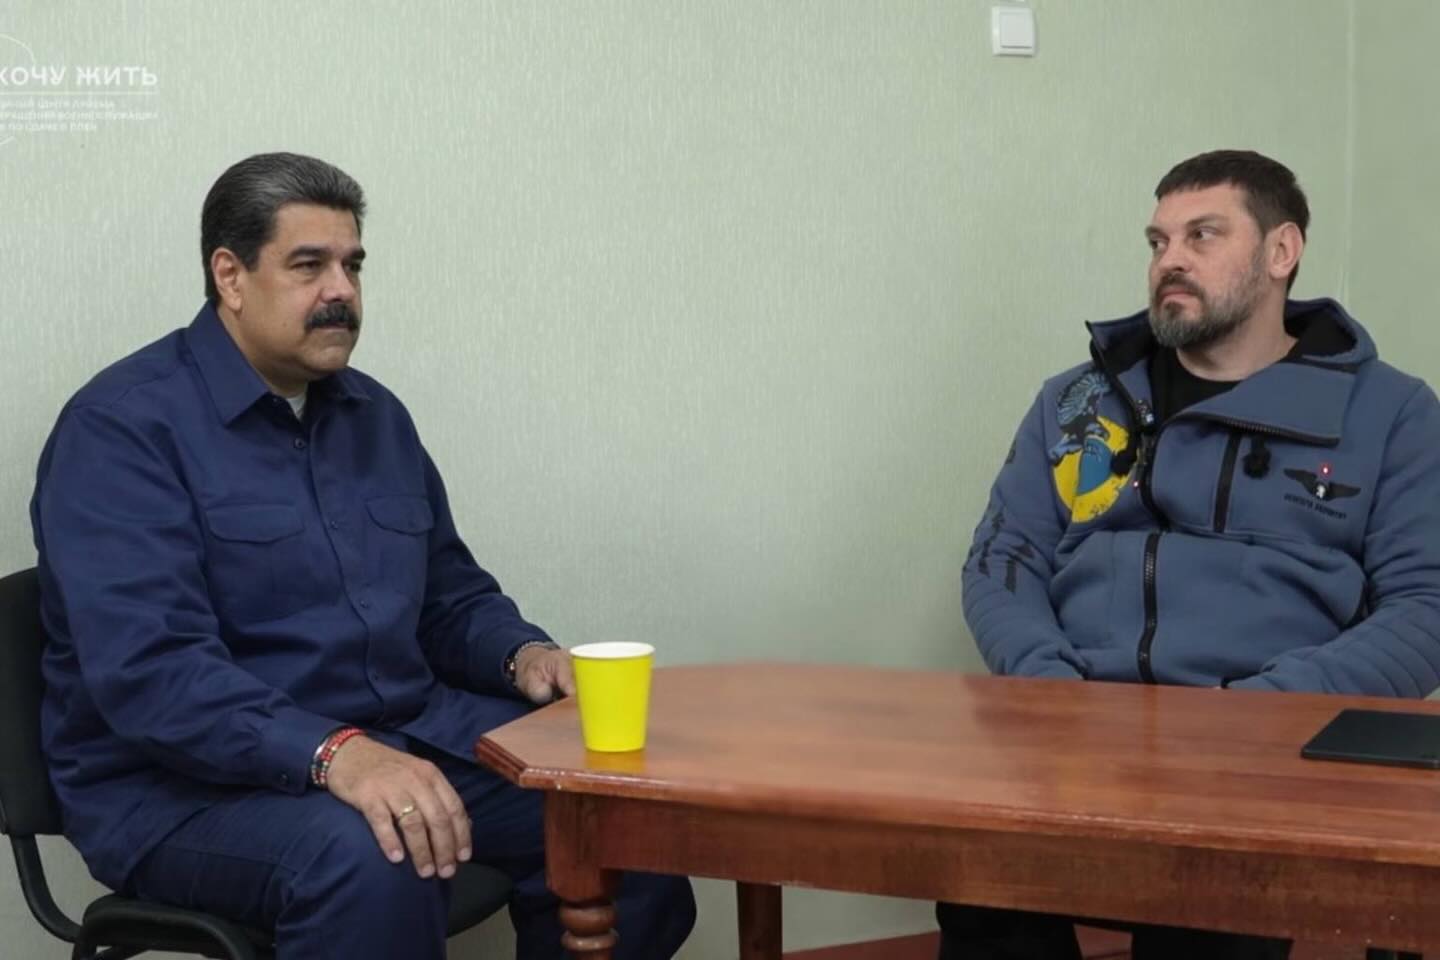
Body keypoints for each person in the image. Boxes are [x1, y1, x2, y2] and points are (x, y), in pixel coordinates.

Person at [31, 152, 695, 960]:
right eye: (308, 265)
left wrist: (523, 655)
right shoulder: (122, 430)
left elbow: (448, 598)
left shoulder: (375, 416)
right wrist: (332, 754)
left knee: (625, 818)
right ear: (230, 276)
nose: (340, 291)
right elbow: (153, 673)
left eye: (352, 265)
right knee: (378, 856)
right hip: (180, 790)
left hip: (399, 736)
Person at [946, 149, 1440, 959]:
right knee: (974, 872)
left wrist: (1265, 711)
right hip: (1077, 727)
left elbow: (1426, 607)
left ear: (1281, 252)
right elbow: (1002, 560)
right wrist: (1047, 686)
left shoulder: (1393, 412)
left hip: (1268, 747)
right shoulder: (1076, 402)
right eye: (1158, 241)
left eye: (1202, 235)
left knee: (1210, 906)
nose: (1169, 259)